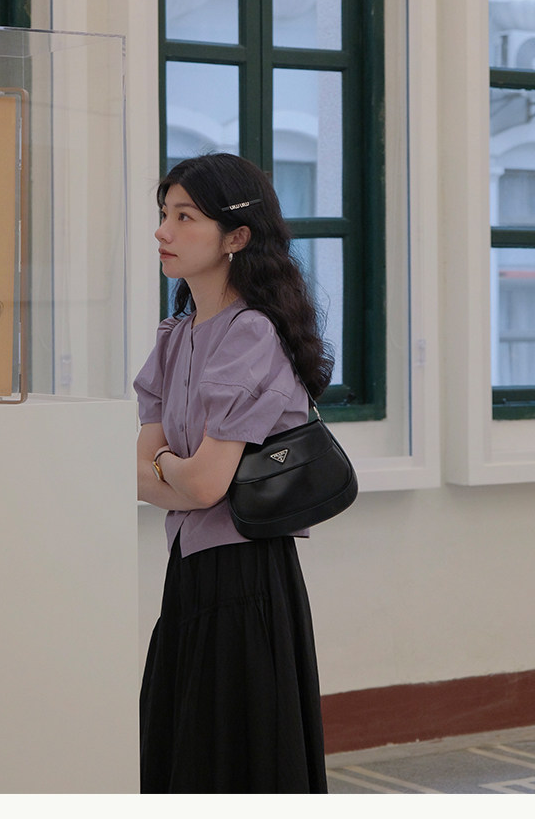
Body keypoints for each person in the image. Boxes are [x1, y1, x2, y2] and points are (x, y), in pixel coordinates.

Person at [134, 152, 333, 794]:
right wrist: (173, 469)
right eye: (164, 214)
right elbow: (141, 476)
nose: (163, 231)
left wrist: (165, 467)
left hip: (245, 577)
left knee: (230, 763)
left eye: (185, 217)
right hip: (188, 570)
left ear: (236, 237)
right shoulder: (175, 335)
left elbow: (201, 486)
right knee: (183, 750)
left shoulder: (251, 334)